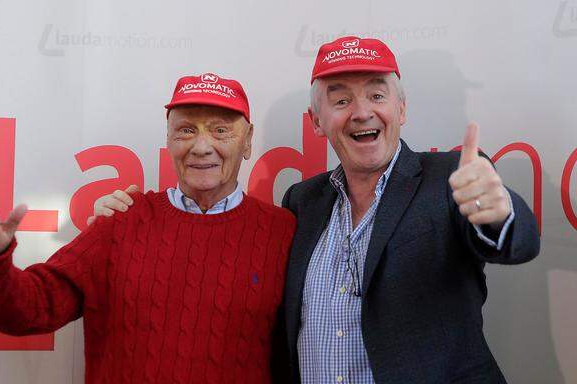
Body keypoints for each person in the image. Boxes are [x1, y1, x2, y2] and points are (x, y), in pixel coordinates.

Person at [96, 37, 540, 383]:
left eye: (377, 95)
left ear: (401, 108)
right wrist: (126, 222)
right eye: (341, 99)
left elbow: (514, 242)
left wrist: (497, 213)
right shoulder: (302, 202)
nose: (361, 112)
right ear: (316, 120)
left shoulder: (449, 178)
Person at [0, 73, 296, 384]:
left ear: (247, 140)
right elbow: (31, 309)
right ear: (169, 140)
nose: (201, 146)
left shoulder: (284, 231)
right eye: (186, 130)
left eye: (221, 130)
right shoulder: (121, 220)